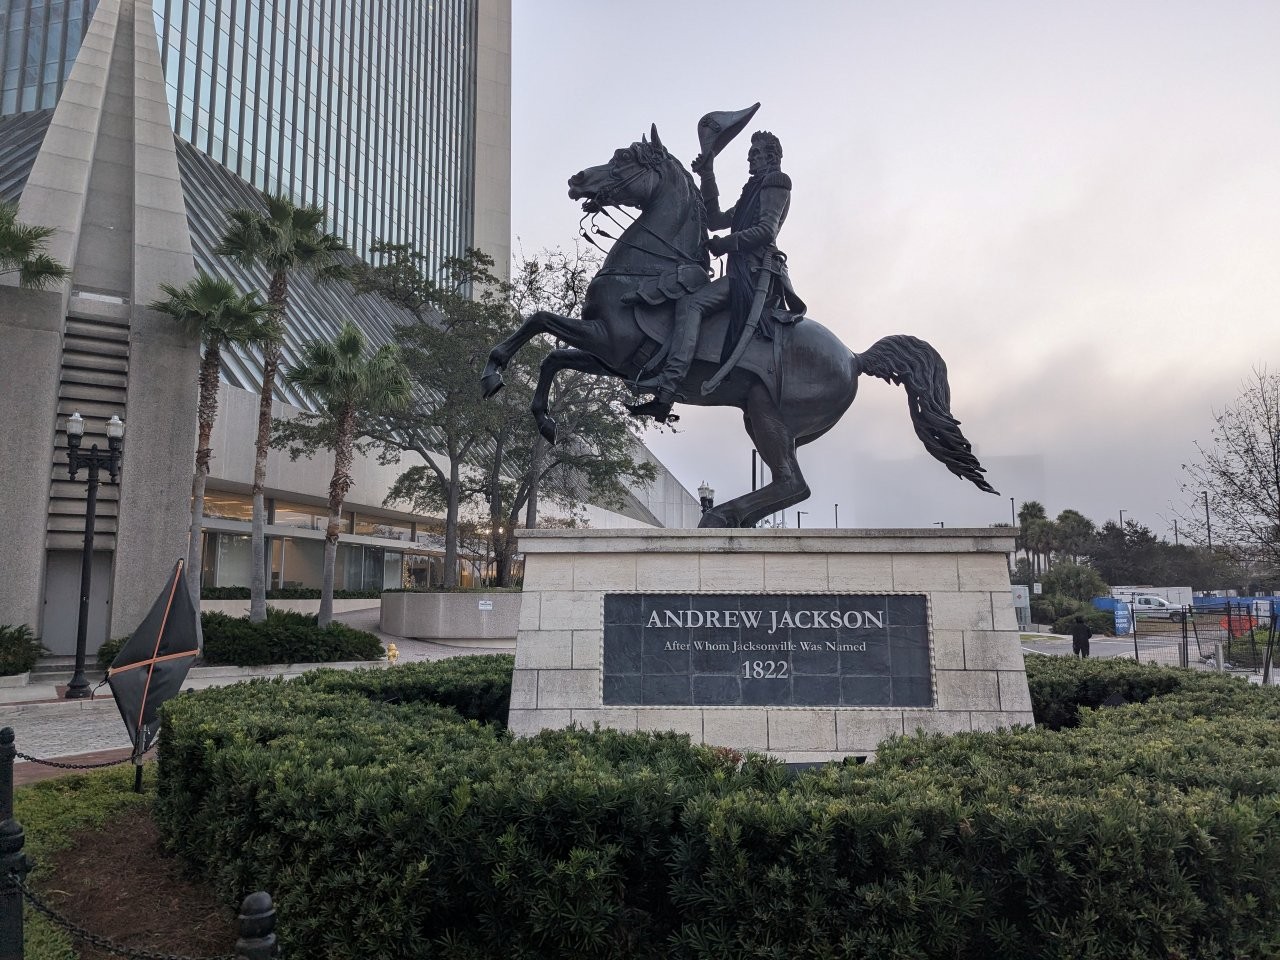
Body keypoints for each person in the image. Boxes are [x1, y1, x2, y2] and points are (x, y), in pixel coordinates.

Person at [628, 130, 806, 422]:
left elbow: (766, 231)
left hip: (753, 273)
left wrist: (724, 244)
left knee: (691, 304)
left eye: (756, 153)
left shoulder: (776, 181)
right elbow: (716, 219)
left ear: (771, 157)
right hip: (741, 270)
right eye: (750, 153)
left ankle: (667, 387)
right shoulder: (753, 190)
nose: (750, 157)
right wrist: (707, 175)